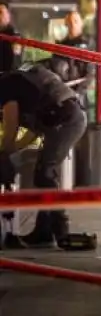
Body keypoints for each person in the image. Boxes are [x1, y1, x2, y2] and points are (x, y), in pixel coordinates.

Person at [0, 63, 87, 249]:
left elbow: (12, 126)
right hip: (65, 117)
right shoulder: (19, 81)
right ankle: (44, 231)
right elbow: (31, 132)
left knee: (45, 173)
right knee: (42, 172)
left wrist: (4, 155)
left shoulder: (5, 87)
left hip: (66, 120)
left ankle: (60, 229)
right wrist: (10, 152)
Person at [55, 10, 93, 186]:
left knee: (81, 140)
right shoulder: (60, 46)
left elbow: (90, 73)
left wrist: (79, 91)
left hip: (80, 97)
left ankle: (81, 179)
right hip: (64, 97)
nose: (73, 24)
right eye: (70, 21)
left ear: (81, 24)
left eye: (76, 21)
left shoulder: (86, 45)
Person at [0, 1, 22, 73]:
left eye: (0, 12)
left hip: (7, 77)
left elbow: (14, 61)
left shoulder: (14, 35)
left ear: (8, 15)